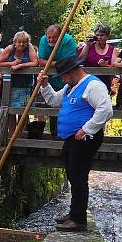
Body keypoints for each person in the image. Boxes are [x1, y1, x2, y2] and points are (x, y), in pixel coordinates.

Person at [37, 56, 112, 231]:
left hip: (85, 139)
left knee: (78, 178)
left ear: (71, 72)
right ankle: (74, 213)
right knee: (73, 176)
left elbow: (105, 109)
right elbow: (54, 101)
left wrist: (87, 129)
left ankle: (78, 219)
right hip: (73, 139)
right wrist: (45, 85)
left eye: (63, 76)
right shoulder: (70, 86)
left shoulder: (93, 85)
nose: (62, 79)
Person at [78, 23, 114, 92]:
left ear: (107, 36)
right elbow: (81, 59)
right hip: (87, 83)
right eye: (97, 35)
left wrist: (106, 66)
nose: (99, 37)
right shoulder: (89, 46)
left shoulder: (112, 49)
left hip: (104, 83)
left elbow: (114, 66)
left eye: (102, 35)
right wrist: (87, 45)